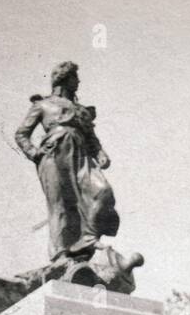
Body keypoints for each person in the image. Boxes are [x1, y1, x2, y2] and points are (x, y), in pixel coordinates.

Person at [15, 61, 120, 261]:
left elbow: (92, 138)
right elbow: (21, 134)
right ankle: (60, 254)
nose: (78, 81)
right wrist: (34, 153)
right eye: (75, 77)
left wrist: (100, 153)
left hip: (81, 155)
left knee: (102, 192)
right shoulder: (43, 105)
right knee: (59, 204)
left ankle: (87, 239)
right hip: (54, 155)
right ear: (65, 79)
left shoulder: (80, 110)